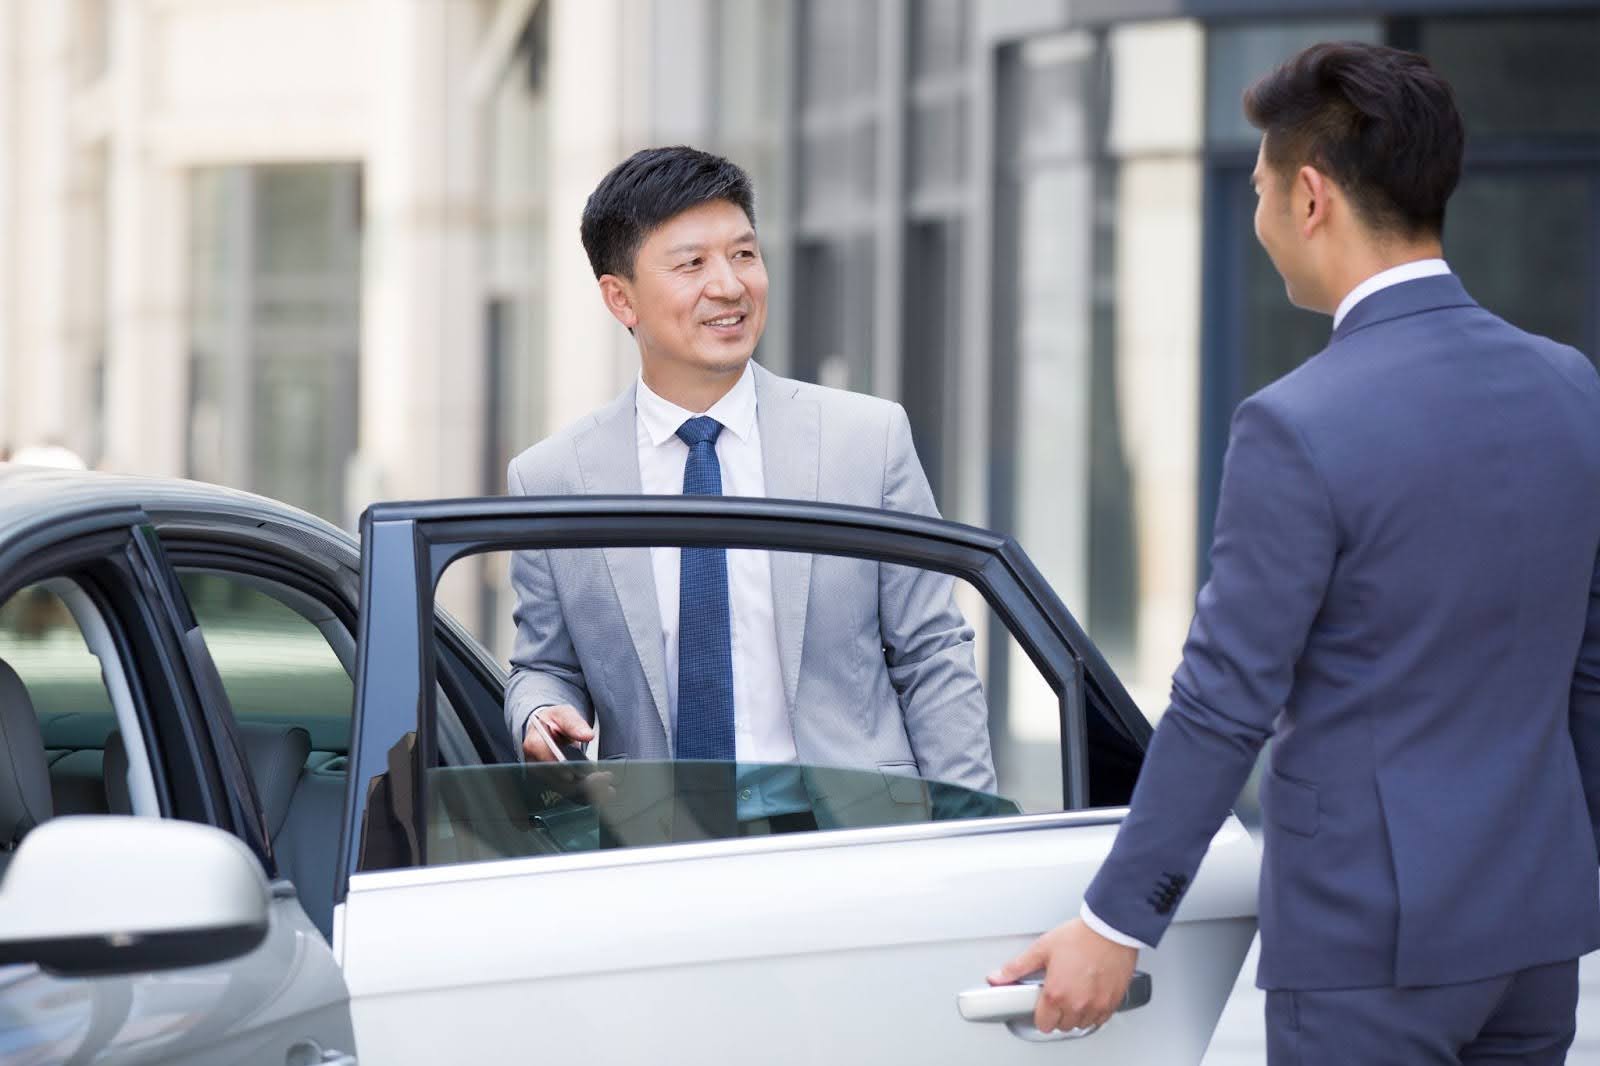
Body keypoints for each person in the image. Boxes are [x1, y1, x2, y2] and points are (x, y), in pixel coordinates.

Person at [991, 41, 1600, 1064]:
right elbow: (1587, 667)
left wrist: (1115, 921)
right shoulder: (1568, 385)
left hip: (1369, 949)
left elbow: (1223, 699)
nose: (1261, 219)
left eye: (1263, 190)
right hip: (1534, 938)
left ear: (1309, 196)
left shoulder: (1298, 423)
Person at [503, 146, 995, 829]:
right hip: (658, 850)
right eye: (691, 264)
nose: (730, 287)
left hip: (850, 841)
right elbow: (543, 665)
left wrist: (971, 833)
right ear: (621, 298)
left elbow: (932, 655)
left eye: (743, 254)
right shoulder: (552, 480)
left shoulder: (864, 442)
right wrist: (538, 710)